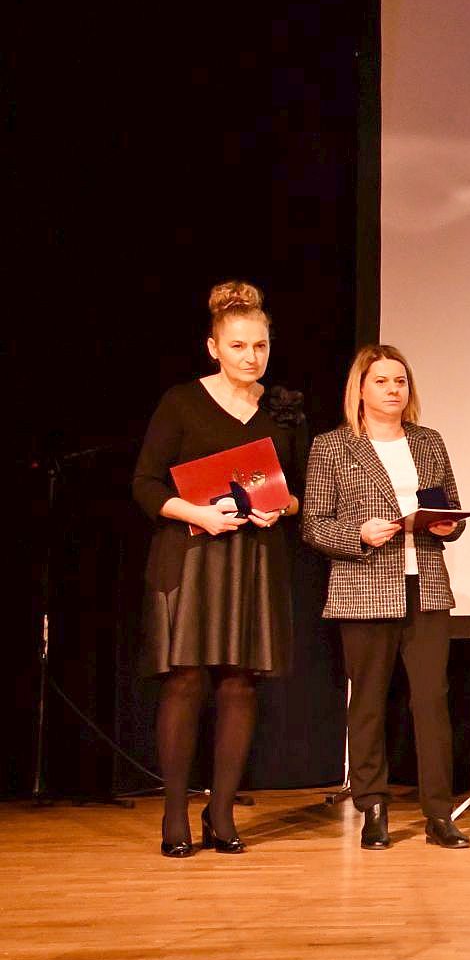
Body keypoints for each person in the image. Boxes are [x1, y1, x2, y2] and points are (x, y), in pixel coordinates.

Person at [131, 281, 305, 856]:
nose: (251, 357)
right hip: (191, 553)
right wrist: (198, 515)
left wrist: (280, 509)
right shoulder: (181, 403)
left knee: (239, 682)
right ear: (213, 347)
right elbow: (145, 483)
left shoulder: (282, 409)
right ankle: (174, 814)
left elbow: (298, 493)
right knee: (185, 681)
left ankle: (222, 813)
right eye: (238, 346)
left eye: (260, 346)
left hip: (253, 558)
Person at [302, 344, 470, 850]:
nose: (393, 389)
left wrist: (447, 524)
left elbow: (452, 511)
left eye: (400, 380)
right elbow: (314, 524)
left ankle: (438, 814)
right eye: (381, 380)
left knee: (432, 701)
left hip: (426, 586)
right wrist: (357, 534)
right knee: (369, 703)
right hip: (365, 587)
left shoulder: (428, 441)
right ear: (360, 388)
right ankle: (372, 807)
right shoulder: (333, 446)